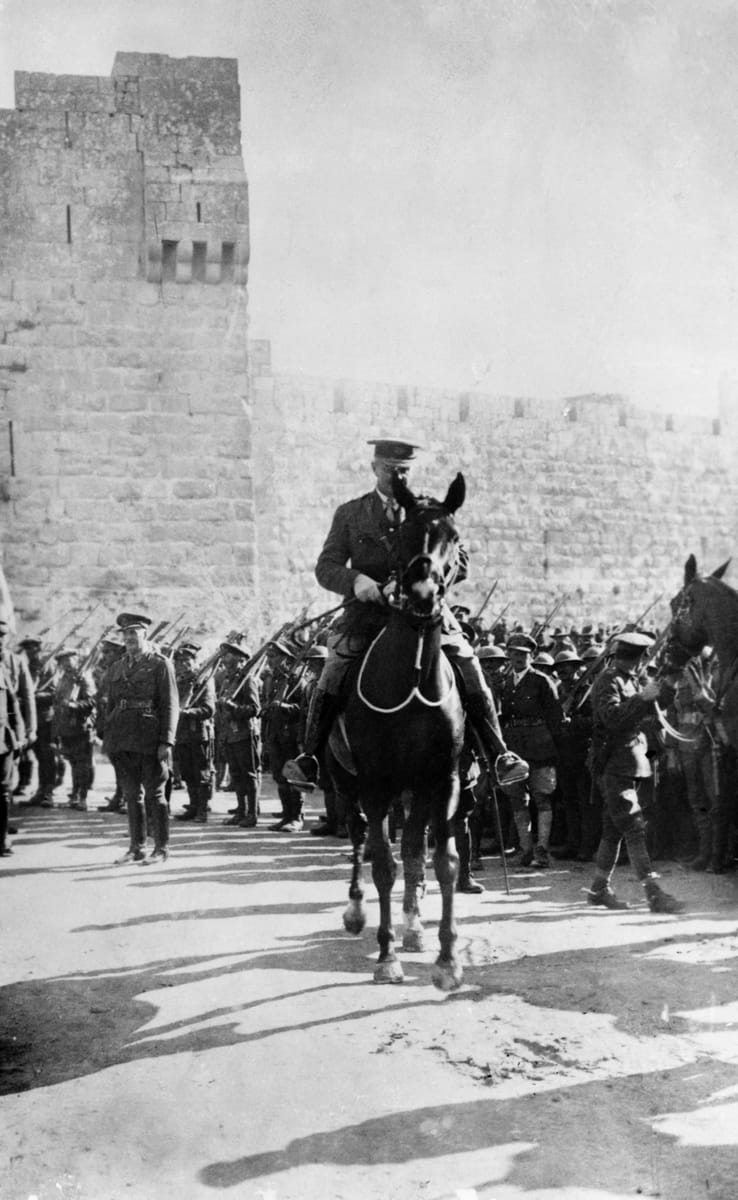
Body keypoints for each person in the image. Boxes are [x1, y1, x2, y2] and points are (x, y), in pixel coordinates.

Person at [284, 438, 515, 790]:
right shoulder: (351, 513)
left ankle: (499, 754)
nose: (397, 476)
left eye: (404, 470)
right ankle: (310, 757)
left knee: (469, 663)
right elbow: (326, 567)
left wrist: (423, 582)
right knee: (333, 669)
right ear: (374, 468)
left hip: (425, 610)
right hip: (368, 613)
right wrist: (358, 580)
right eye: (390, 469)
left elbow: (461, 563)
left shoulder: (430, 511)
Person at [586, 630, 684, 912]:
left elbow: (655, 706)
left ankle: (598, 889)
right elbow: (613, 718)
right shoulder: (608, 680)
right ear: (640, 656)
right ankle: (653, 892)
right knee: (633, 825)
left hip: (632, 761)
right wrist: (641, 698)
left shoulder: (632, 679)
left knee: (614, 829)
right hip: (614, 764)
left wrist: (668, 684)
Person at [103, 612, 178, 865]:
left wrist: (166, 741)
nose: (129, 638)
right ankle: (137, 847)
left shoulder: (160, 664)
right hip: (123, 739)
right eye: (125, 634)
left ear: (145, 634)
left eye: (134, 633)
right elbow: (111, 704)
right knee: (131, 794)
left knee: (154, 795)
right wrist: (109, 738)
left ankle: (162, 848)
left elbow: (170, 705)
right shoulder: (117, 666)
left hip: (149, 738)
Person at [497, 632, 565, 868]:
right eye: (514, 653)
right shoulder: (506, 684)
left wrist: (556, 749)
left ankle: (542, 850)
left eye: (523, 654)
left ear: (531, 655)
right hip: (514, 746)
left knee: (542, 796)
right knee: (517, 798)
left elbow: (556, 717)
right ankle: (526, 849)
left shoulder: (541, 681)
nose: (517, 658)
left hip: (540, 744)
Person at [217, 641, 262, 829]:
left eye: (228, 655)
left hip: (244, 733)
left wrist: (233, 708)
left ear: (239, 659)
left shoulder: (247, 679)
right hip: (229, 734)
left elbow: (255, 709)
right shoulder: (227, 680)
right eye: (224, 655)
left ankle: (252, 813)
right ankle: (241, 810)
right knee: (236, 774)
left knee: (248, 774)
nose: (224, 658)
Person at [172, 641, 216, 825]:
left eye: (187, 661)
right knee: (187, 772)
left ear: (194, 662)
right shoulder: (178, 681)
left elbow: (208, 709)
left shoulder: (203, 681)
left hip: (199, 733)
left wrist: (187, 712)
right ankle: (193, 805)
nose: (183, 665)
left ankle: (202, 809)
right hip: (182, 734)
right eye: (179, 661)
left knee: (201, 772)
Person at [53, 647, 96, 811]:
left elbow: (92, 702)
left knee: (82, 764)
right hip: (65, 727)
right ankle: (76, 792)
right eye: (62, 660)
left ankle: (83, 797)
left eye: (68, 659)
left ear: (76, 659)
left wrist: (73, 705)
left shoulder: (83, 678)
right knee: (72, 762)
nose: (65, 663)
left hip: (80, 726)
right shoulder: (64, 678)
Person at [0, 617, 25, 857]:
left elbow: (14, 705)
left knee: (3, 792)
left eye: (2, 637)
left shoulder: (2, 670)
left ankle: (2, 840)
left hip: (2, 740)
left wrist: (18, 736)